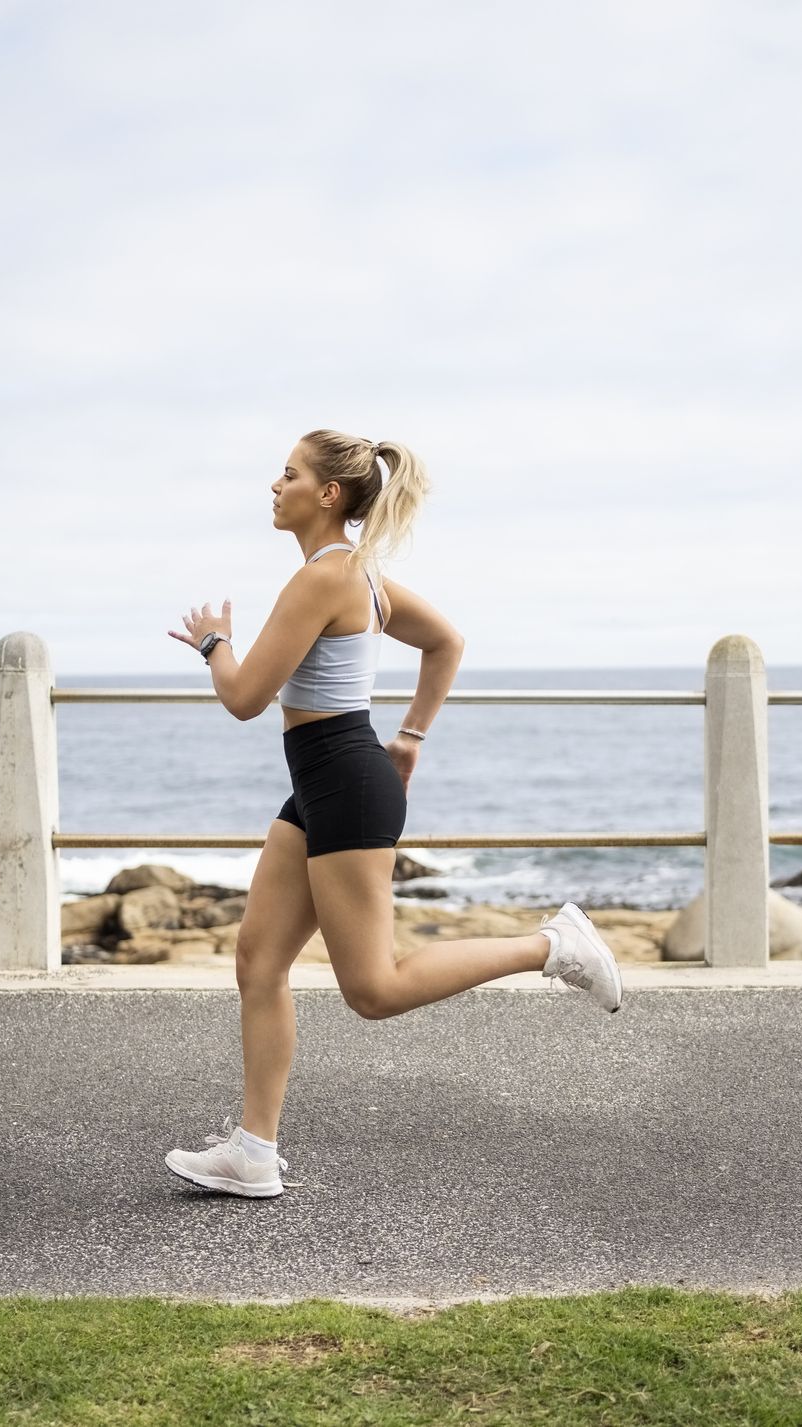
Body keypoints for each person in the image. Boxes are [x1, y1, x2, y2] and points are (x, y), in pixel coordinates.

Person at [159, 429, 624, 1198]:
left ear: (329, 494)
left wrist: (214, 643)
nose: (275, 487)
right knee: (259, 959)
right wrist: (408, 737)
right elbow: (446, 642)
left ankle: (551, 944)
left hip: (342, 778)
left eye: (289, 475)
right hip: (325, 778)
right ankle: (253, 1151)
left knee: (373, 989)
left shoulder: (325, 579)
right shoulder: (361, 577)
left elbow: (244, 698)